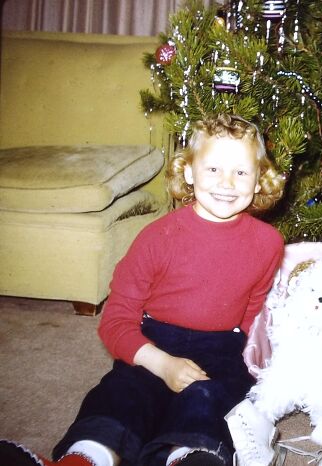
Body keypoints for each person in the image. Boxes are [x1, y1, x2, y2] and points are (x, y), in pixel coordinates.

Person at [0, 114, 286, 466]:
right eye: (212, 169)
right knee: (123, 392)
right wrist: (162, 363)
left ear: (259, 180)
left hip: (221, 347)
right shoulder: (156, 238)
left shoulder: (268, 243)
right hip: (153, 342)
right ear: (188, 173)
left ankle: (191, 457)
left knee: (212, 399)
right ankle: (87, 457)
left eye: (241, 172)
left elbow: (250, 310)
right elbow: (116, 321)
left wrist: (240, 348)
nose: (226, 182)